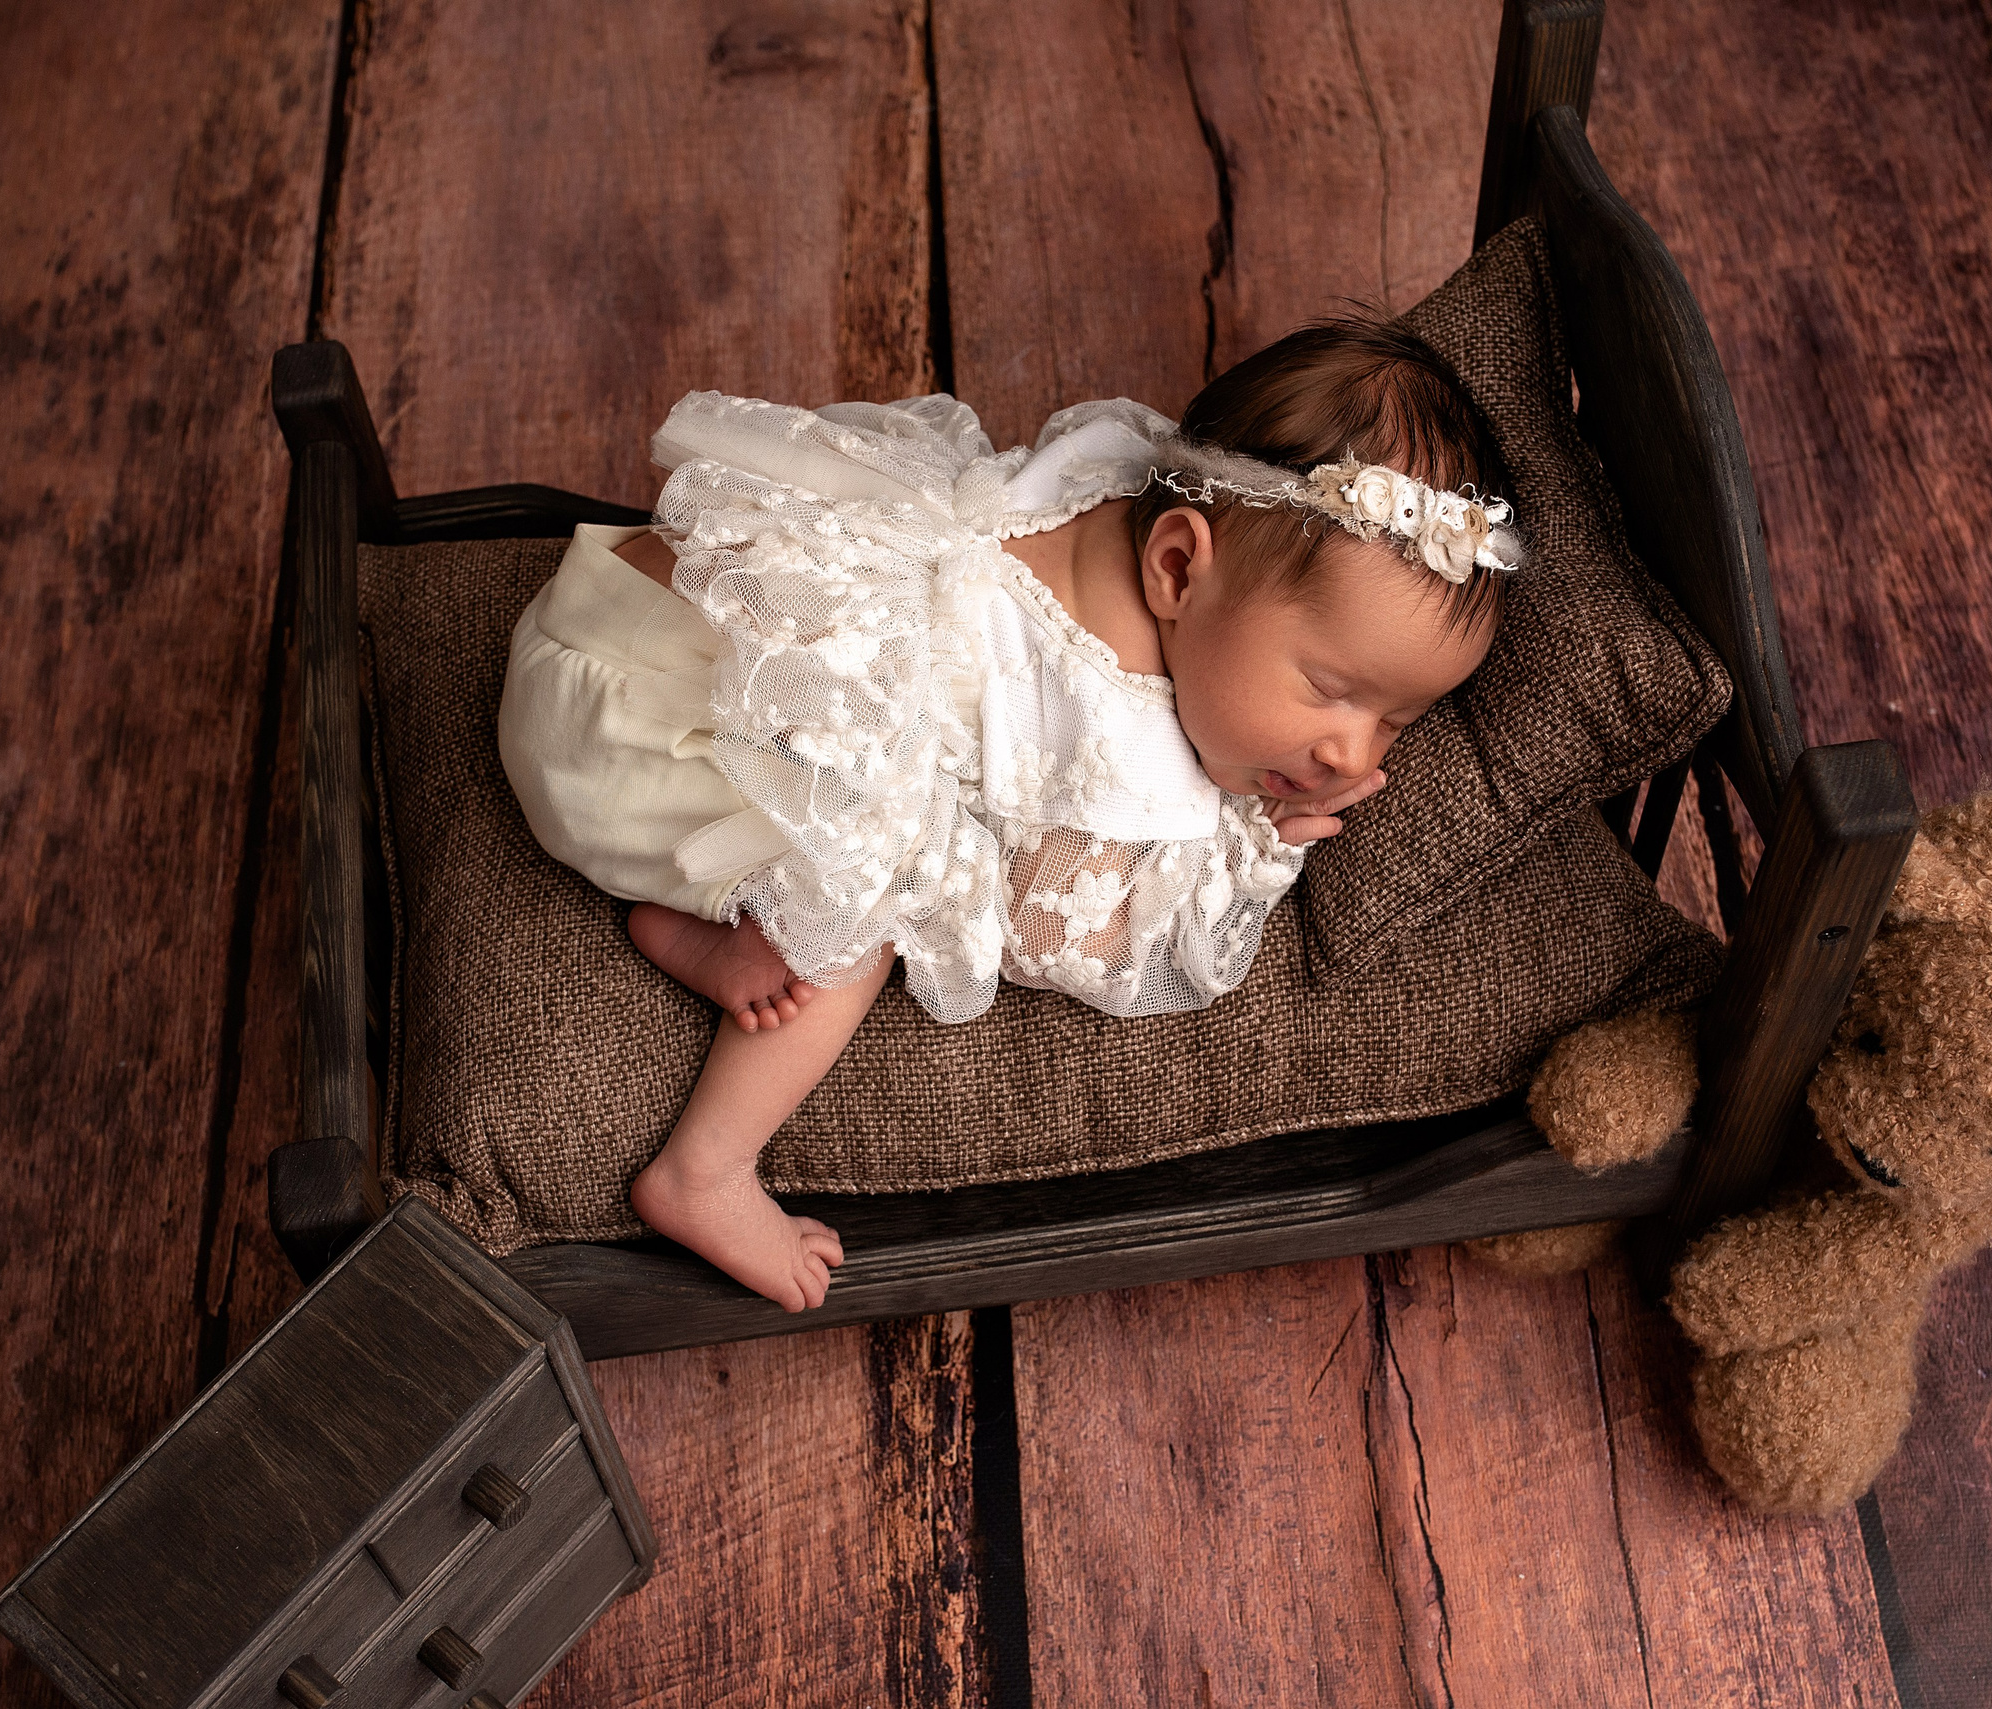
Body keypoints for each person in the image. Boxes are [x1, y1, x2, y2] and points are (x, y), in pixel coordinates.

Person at [498, 315, 1521, 1311]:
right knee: (886, 895)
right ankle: (704, 1168)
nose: (1353, 750)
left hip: (587, 622)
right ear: (1175, 565)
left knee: (830, 738)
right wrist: (1251, 845)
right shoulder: (1118, 736)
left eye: (1399, 716)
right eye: (1330, 687)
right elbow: (1055, 934)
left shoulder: (1113, 466)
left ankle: (715, 926)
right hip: (620, 760)